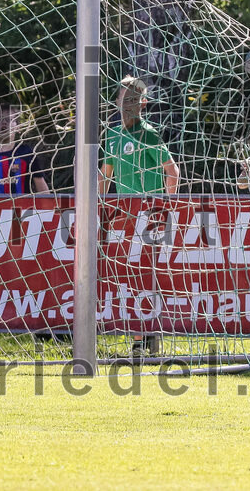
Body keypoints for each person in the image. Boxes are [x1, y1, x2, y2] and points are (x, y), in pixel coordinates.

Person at [99, 76, 179, 356]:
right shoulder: (111, 134)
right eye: (123, 97)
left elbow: (173, 172)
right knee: (129, 276)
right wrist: (95, 205)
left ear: (143, 103)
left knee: (150, 274)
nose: (127, 102)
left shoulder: (149, 133)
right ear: (117, 101)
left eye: (134, 98)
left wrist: (164, 207)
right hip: (123, 214)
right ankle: (139, 338)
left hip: (149, 215)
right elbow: (105, 176)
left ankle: (151, 335)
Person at [0, 106, 51, 193]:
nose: (4, 122)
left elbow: (43, 190)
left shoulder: (26, 152)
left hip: (20, 206)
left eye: (9, 119)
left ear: (18, 127)